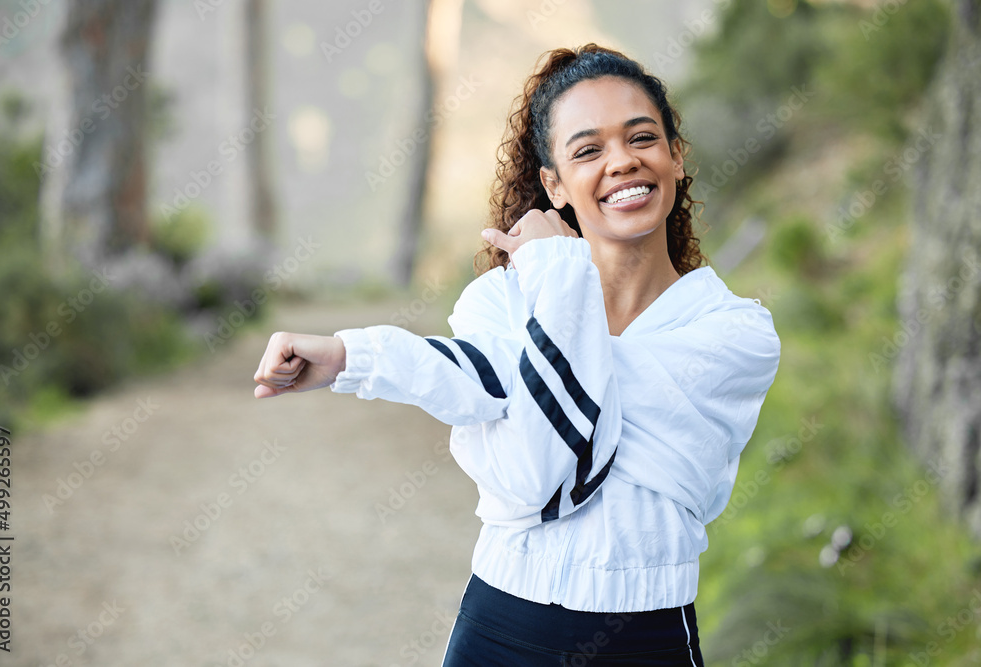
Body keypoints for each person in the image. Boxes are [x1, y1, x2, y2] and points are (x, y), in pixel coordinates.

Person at [253, 44, 780, 666]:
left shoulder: (734, 334)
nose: (621, 162)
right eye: (587, 150)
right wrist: (351, 356)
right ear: (552, 184)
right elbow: (519, 441)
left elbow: (536, 466)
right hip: (499, 627)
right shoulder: (500, 302)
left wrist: (554, 283)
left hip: (646, 637)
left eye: (642, 137)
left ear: (675, 154)